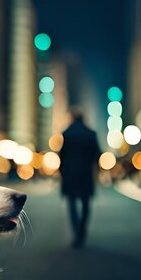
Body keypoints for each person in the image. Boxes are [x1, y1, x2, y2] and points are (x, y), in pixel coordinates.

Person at [58, 106, 101, 248]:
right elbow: (97, 154)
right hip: (86, 173)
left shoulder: (67, 133)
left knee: (72, 204)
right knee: (86, 203)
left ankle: (76, 232)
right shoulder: (91, 134)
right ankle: (82, 231)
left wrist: (63, 172)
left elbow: (62, 156)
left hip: (70, 174)